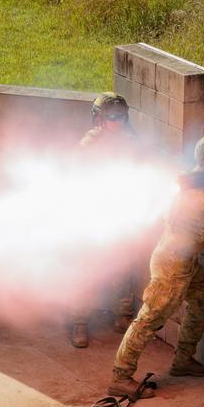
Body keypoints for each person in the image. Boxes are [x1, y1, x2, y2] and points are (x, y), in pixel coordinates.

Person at [107, 133, 204, 398]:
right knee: (149, 319)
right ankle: (121, 376)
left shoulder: (194, 178)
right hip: (173, 265)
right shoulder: (201, 189)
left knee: (203, 300)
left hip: (182, 260)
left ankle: (183, 361)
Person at [70, 92, 142, 348]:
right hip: (91, 219)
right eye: (112, 117)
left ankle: (122, 316)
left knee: (122, 267)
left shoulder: (131, 143)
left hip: (119, 217)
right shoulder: (88, 146)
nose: (117, 122)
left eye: (121, 117)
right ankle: (79, 323)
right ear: (99, 118)